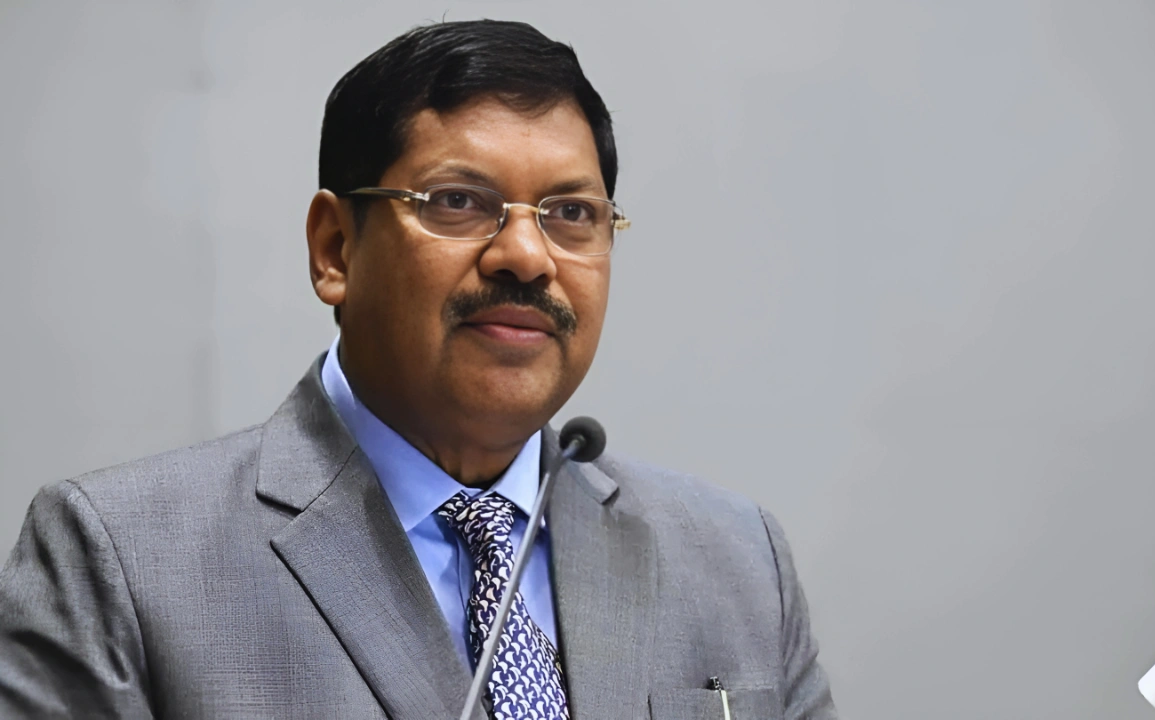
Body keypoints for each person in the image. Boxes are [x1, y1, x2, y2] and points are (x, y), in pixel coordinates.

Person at [0, 20, 837, 720]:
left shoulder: (736, 562)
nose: (526, 256)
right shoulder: (123, 561)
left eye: (570, 213)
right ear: (335, 250)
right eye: (458, 202)